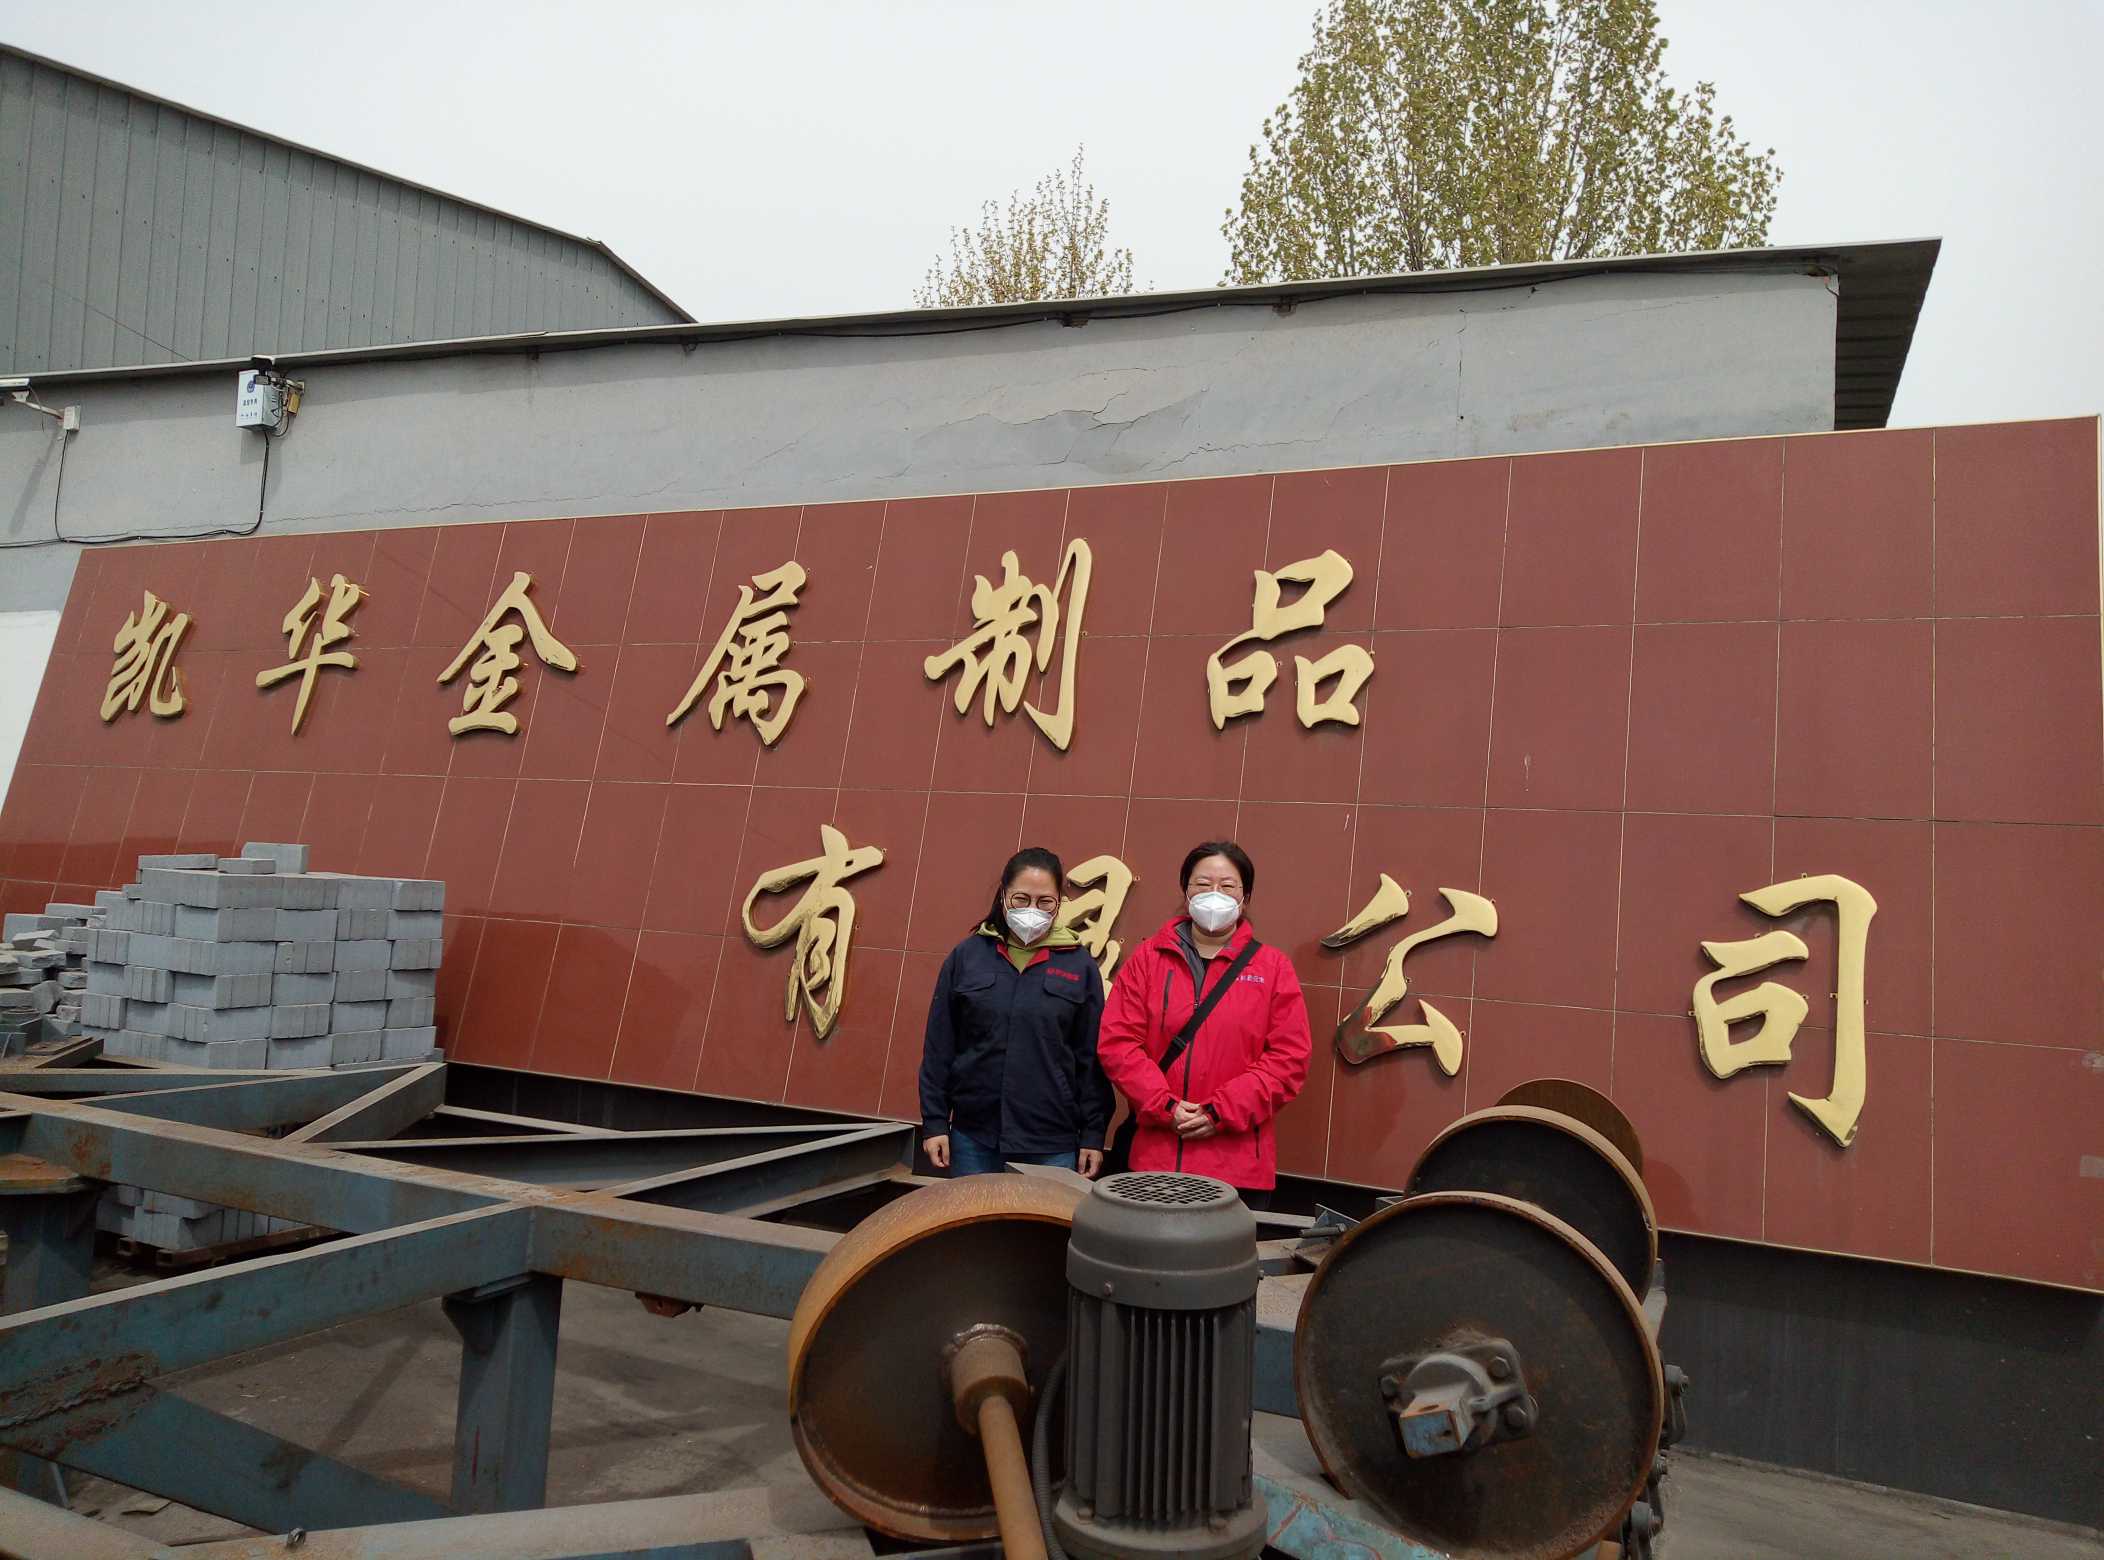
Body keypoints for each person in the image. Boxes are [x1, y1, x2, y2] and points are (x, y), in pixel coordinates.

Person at [1095, 841, 1310, 1209]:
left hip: (1238, 1167)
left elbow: (1288, 1059)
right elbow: (1118, 1042)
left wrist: (1220, 1111)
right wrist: (1164, 1106)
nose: (1214, 894)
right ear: (1185, 891)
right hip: (1155, 1162)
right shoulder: (1149, 959)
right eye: (1202, 884)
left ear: (1245, 897)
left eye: (1227, 886)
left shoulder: (1273, 968)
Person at [919, 847, 1113, 1178]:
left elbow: (1090, 1059)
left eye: (1044, 901)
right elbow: (940, 1046)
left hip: (1051, 1141)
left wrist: (1093, 1134)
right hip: (973, 1136)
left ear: (1058, 904)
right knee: (974, 1213)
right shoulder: (968, 957)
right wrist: (935, 1121)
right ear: (1003, 896)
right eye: (1021, 899)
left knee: (1043, 1216)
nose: (1032, 910)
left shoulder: (1079, 966)